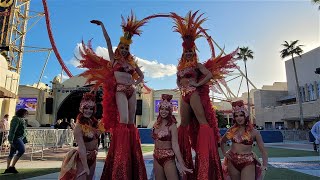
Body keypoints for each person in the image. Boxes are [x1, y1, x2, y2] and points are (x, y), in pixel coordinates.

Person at [79, 12, 147, 179]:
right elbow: (108, 42)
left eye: (126, 48)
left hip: (131, 90)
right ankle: (121, 157)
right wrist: (102, 25)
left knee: (131, 123)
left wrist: (137, 84)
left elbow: (141, 76)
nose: (124, 50)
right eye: (122, 47)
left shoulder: (132, 62)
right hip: (120, 90)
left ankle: (131, 156)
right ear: (118, 48)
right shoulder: (114, 60)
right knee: (123, 121)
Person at [172, 11, 237, 180]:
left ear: (194, 51)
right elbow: (178, 80)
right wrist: (181, 86)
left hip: (193, 93)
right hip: (184, 95)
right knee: (183, 124)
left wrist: (197, 84)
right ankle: (184, 159)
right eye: (186, 52)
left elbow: (208, 75)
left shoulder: (198, 64)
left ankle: (207, 159)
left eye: (190, 51)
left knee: (203, 123)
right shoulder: (180, 68)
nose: (188, 54)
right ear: (183, 53)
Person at [59, 92, 104, 180]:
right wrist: (85, 166)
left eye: (91, 108)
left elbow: (96, 139)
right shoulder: (79, 127)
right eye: (86, 108)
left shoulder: (94, 123)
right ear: (81, 109)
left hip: (92, 157)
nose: (88, 111)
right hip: (82, 158)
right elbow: (82, 148)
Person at [220, 100, 268, 180]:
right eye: (236, 116)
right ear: (234, 117)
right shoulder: (232, 130)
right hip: (232, 161)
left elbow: (263, 150)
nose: (239, 118)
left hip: (248, 162)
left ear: (245, 115)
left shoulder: (254, 132)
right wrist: (224, 153)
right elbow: (222, 141)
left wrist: (265, 165)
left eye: (241, 115)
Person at [152, 94, 193, 179]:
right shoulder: (156, 124)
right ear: (159, 110)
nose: (164, 111)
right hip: (156, 157)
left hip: (168, 158)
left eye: (167, 109)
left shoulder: (172, 125)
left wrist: (182, 164)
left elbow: (175, 145)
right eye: (162, 109)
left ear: (170, 111)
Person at [3, 109, 28, 174]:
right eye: (25, 113)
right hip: (16, 138)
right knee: (22, 150)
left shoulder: (20, 119)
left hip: (19, 138)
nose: (26, 115)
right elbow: (13, 129)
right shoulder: (16, 119)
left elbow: (23, 130)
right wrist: (10, 139)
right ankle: (12, 167)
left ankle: (8, 168)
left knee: (12, 152)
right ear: (22, 113)